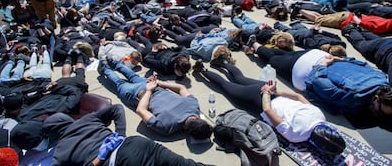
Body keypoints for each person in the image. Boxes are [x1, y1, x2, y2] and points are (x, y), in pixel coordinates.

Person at [192, 61, 346, 154]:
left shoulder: (320, 116)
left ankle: (224, 62)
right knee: (227, 86)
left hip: (272, 93)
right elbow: (267, 111)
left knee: (240, 78)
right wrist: (266, 93)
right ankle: (203, 70)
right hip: (260, 99)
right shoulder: (297, 136)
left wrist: (274, 91)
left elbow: (299, 97)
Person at [246, 41, 392, 126]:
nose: (378, 112)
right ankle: (253, 43)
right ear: (377, 98)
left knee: (285, 54)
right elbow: (317, 81)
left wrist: (338, 60)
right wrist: (322, 66)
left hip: (318, 54)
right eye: (379, 109)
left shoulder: (382, 79)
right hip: (303, 68)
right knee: (271, 59)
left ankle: (258, 42)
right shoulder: (352, 97)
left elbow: (361, 63)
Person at [42, 105, 209, 166]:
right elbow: (117, 108)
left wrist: (97, 160)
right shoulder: (86, 120)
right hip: (137, 144)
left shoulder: (60, 152)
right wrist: (119, 134)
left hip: (121, 161)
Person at [98, 59, 212, 139]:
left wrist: (158, 83)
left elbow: (181, 88)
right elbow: (141, 110)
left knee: (133, 76)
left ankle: (111, 62)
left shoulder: (194, 106)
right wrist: (149, 90)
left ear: (199, 118)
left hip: (153, 87)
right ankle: (105, 68)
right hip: (140, 94)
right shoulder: (166, 127)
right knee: (119, 82)